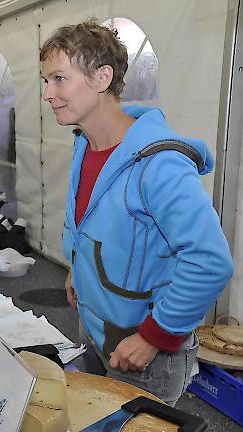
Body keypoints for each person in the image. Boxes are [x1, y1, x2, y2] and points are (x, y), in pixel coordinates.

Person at [40, 20, 234, 406]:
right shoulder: (84, 144)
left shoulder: (159, 165)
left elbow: (210, 261)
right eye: (45, 80)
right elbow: (91, 223)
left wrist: (153, 337)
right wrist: (76, 270)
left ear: (101, 78)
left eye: (59, 79)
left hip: (144, 352)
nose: (48, 93)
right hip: (96, 332)